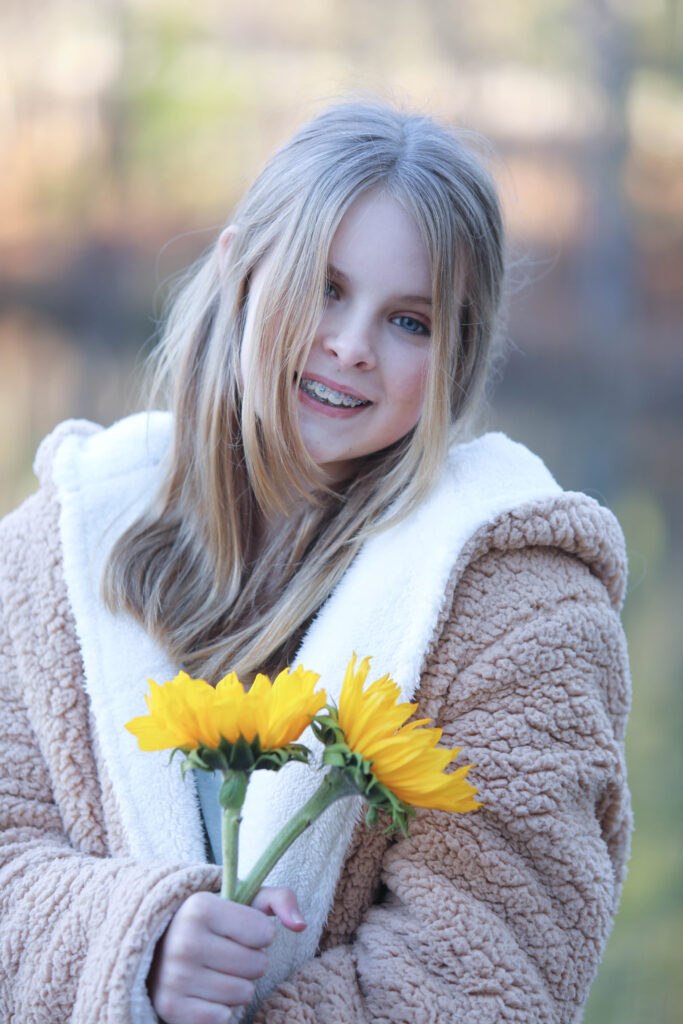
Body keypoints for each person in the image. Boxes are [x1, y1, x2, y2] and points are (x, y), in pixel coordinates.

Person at [0, 100, 631, 1024]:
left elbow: (486, 981)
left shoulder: (523, 615)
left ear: (458, 357)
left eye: (410, 322)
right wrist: (139, 944)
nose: (349, 345)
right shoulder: (55, 550)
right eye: (323, 288)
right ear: (237, 275)